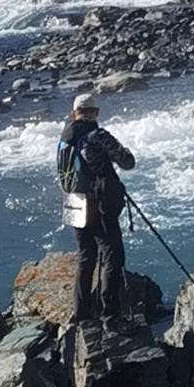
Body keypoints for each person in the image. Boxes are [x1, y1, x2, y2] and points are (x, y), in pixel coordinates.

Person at [57, 92, 135, 334]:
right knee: (112, 255)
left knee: (86, 257)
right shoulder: (98, 136)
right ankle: (110, 316)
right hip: (98, 206)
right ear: (94, 113)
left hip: (73, 202)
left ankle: (82, 316)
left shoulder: (64, 139)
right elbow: (128, 161)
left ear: (74, 114)